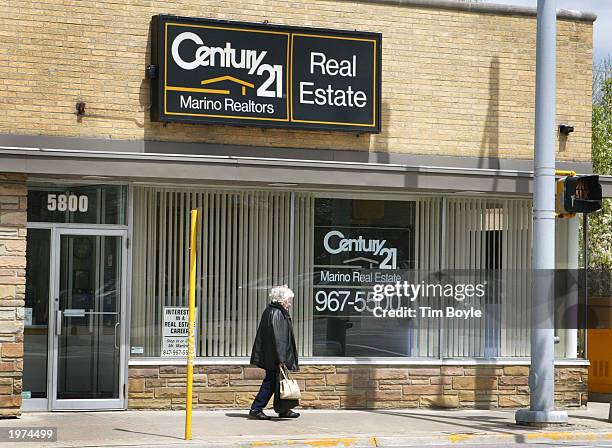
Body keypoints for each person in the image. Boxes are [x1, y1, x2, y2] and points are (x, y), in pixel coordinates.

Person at [249, 285, 300, 420]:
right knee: (271, 382)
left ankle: (283, 409)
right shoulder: (277, 313)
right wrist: (281, 359)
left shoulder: (272, 311)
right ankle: (256, 408)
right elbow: (279, 339)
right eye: (288, 301)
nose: (289, 304)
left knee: (278, 382)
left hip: (273, 355)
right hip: (276, 356)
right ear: (282, 300)